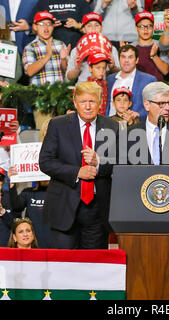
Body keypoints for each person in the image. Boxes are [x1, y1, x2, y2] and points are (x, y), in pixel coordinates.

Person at [39, 81, 119, 249]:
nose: (88, 106)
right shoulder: (58, 125)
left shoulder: (112, 126)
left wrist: (99, 163)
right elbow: (46, 162)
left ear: (100, 103)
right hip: (64, 207)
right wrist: (77, 172)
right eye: (83, 102)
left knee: (93, 268)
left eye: (92, 101)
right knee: (64, 267)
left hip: (98, 210)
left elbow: (120, 163)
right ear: (75, 102)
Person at [106, 44, 157, 120]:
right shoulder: (111, 79)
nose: (126, 60)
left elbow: (155, 107)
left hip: (135, 127)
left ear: (137, 60)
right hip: (110, 126)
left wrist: (138, 115)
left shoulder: (148, 80)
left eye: (130, 57)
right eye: (123, 57)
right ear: (119, 59)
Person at [66, 12, 120, 84]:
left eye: (97, 25)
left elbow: (119, 74)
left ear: (101, 28)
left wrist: (112, 68)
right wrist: (77, 69)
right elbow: (68, 78)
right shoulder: (77, 50)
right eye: (89, 26)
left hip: (104, 88)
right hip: (83, 87)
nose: (93, 29)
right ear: (83, 29)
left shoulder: (110, 48)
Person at [7, 166, 51, 248]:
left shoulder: (58, 194)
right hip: (32, 242)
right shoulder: (28, 192)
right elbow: (17, 207)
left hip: (52, 242)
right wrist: (12, 184)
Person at [22, 11, 71, 86]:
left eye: (49, 24)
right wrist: (48, 56)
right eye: (41, 24)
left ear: (53, 26)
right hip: (39, 94)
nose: (46, 28)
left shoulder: (61, 45)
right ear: (35, 27)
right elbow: (29, 72)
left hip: (60, 92)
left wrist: (63, 59)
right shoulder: (30, 47)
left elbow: (67, 73)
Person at [131, 10, 169, 81]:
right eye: (142, 26)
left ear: (153, 27)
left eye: (149, 26)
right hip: (138, 87)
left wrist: (154, 56)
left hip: (156, 88)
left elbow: (165, 71)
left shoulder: (160, 45)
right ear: (136, 28)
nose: (146, 29)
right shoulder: (132, 47)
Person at [87, 51, 111, 116]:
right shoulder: (87, 86)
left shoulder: (105, 84)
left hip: (104, 118)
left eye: (104, 68)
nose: (101, 71)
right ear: (90, 68)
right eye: (98, 68)